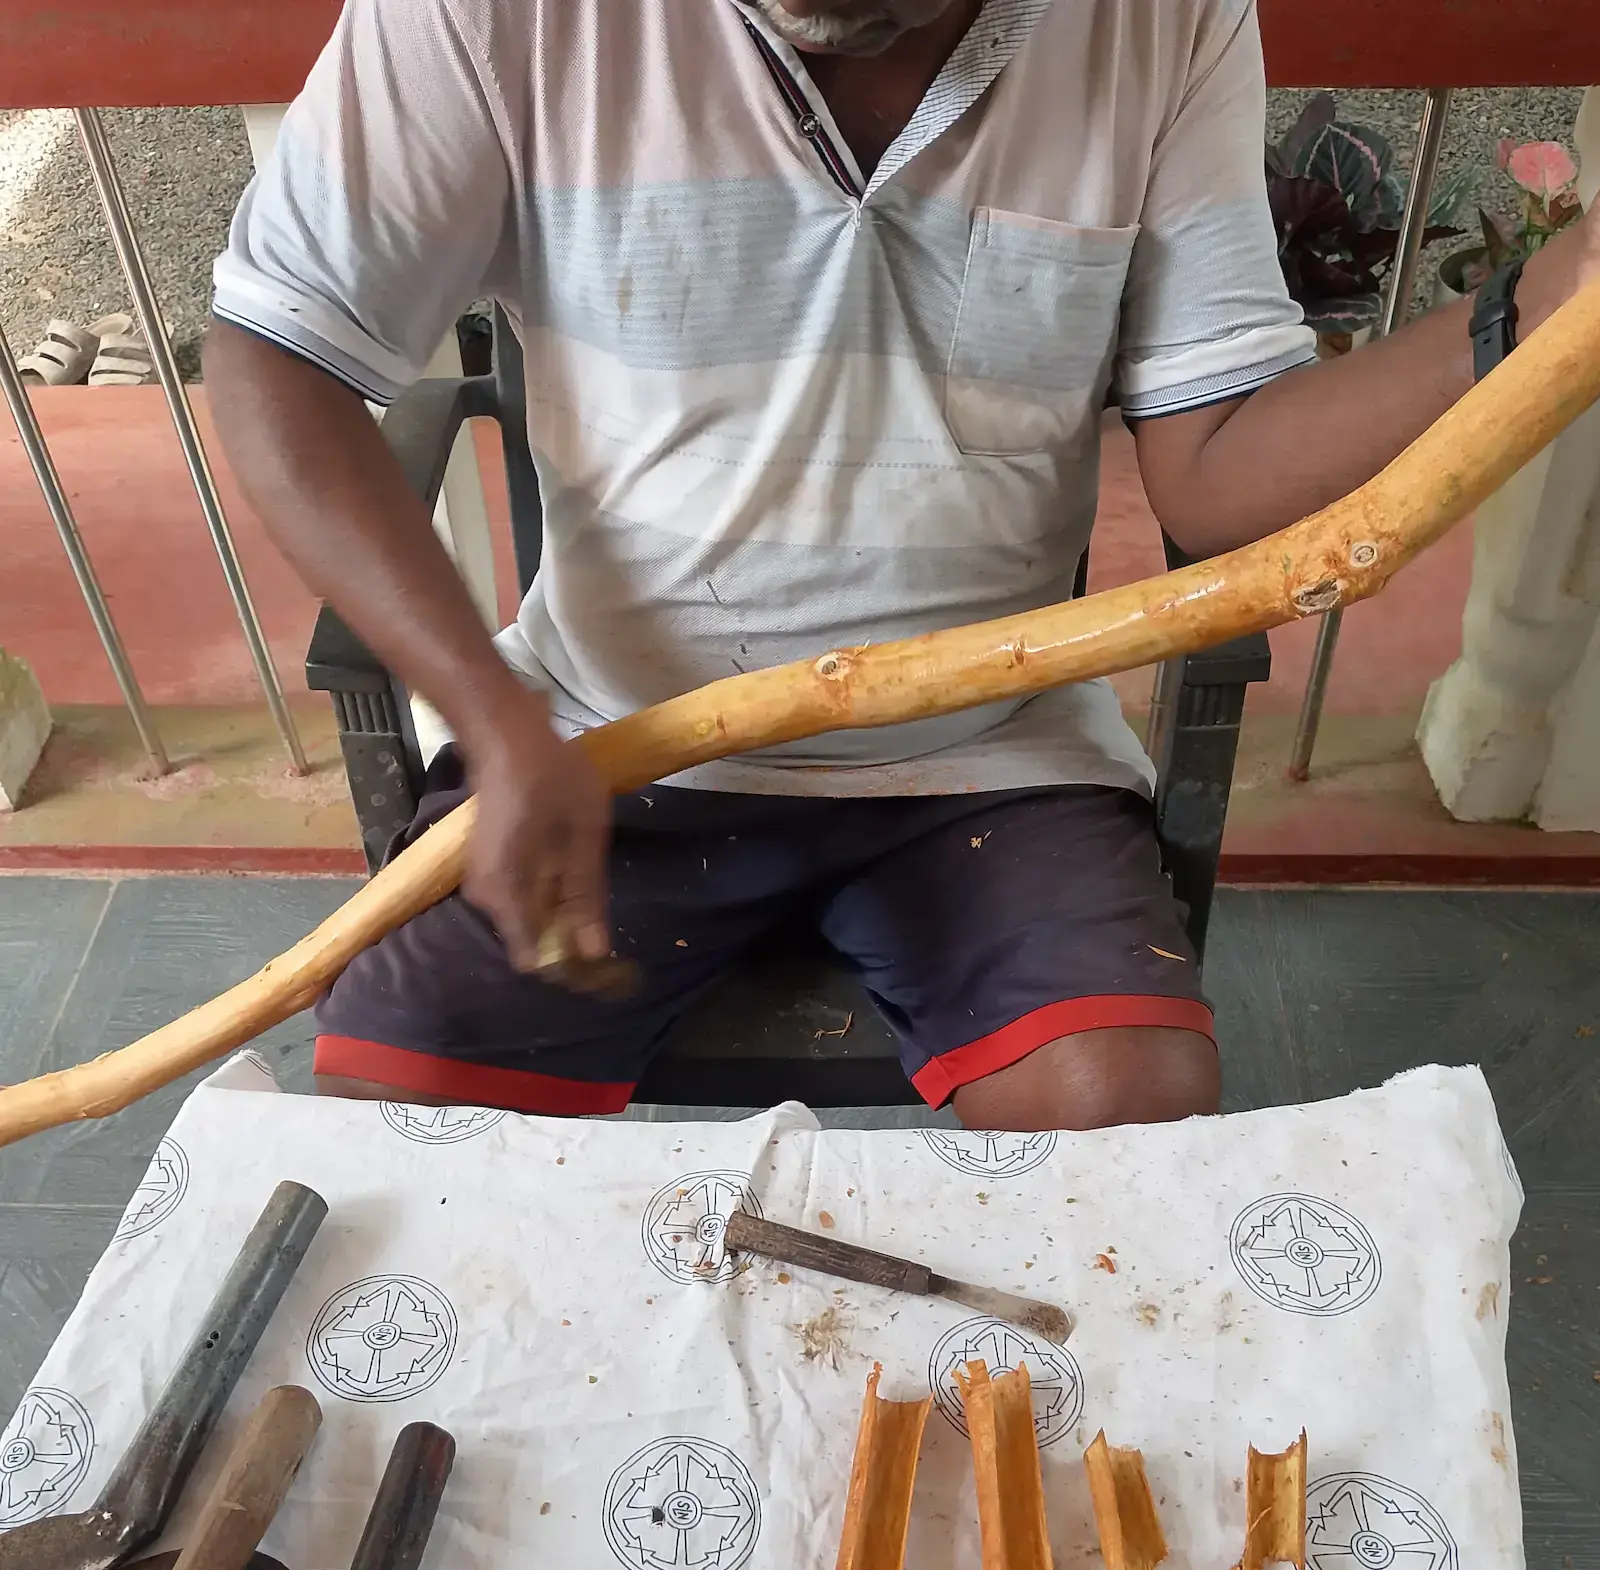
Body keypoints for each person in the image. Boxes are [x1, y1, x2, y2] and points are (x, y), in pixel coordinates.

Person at [207, 0, 1595, 1129]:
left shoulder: (1161, 19)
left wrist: (1540, 307)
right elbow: (274, 355)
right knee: (401, 1119)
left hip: (988, 754)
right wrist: (496, 721)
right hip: (606, 744)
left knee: (1128, 1121)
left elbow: (1219, 466)